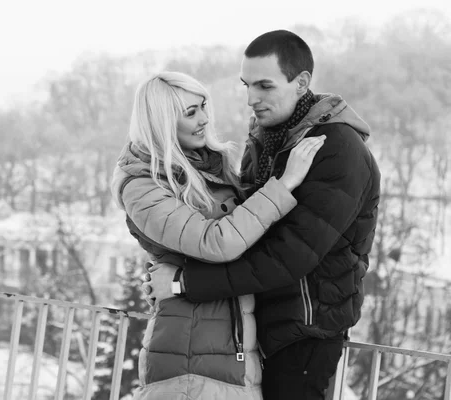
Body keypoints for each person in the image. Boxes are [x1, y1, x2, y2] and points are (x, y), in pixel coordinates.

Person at [143, 30, 381, 400]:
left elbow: (289, 256)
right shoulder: (269, 139)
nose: (251, 99)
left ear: (301, 82)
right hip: (257, 325)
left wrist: (184, 284)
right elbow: (246, 227)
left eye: (265, 86)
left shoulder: (336, 150)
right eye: (247, 85)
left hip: (305, 331)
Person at [111, 71, 325, 400]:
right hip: (188, 357)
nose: (204, 120)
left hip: (232, 349)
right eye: (190, 113)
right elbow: (218, 242)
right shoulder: (142, 186)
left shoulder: (210, 166)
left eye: (203, 106)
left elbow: (250, 235)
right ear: (162, 122)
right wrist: (284, 185)